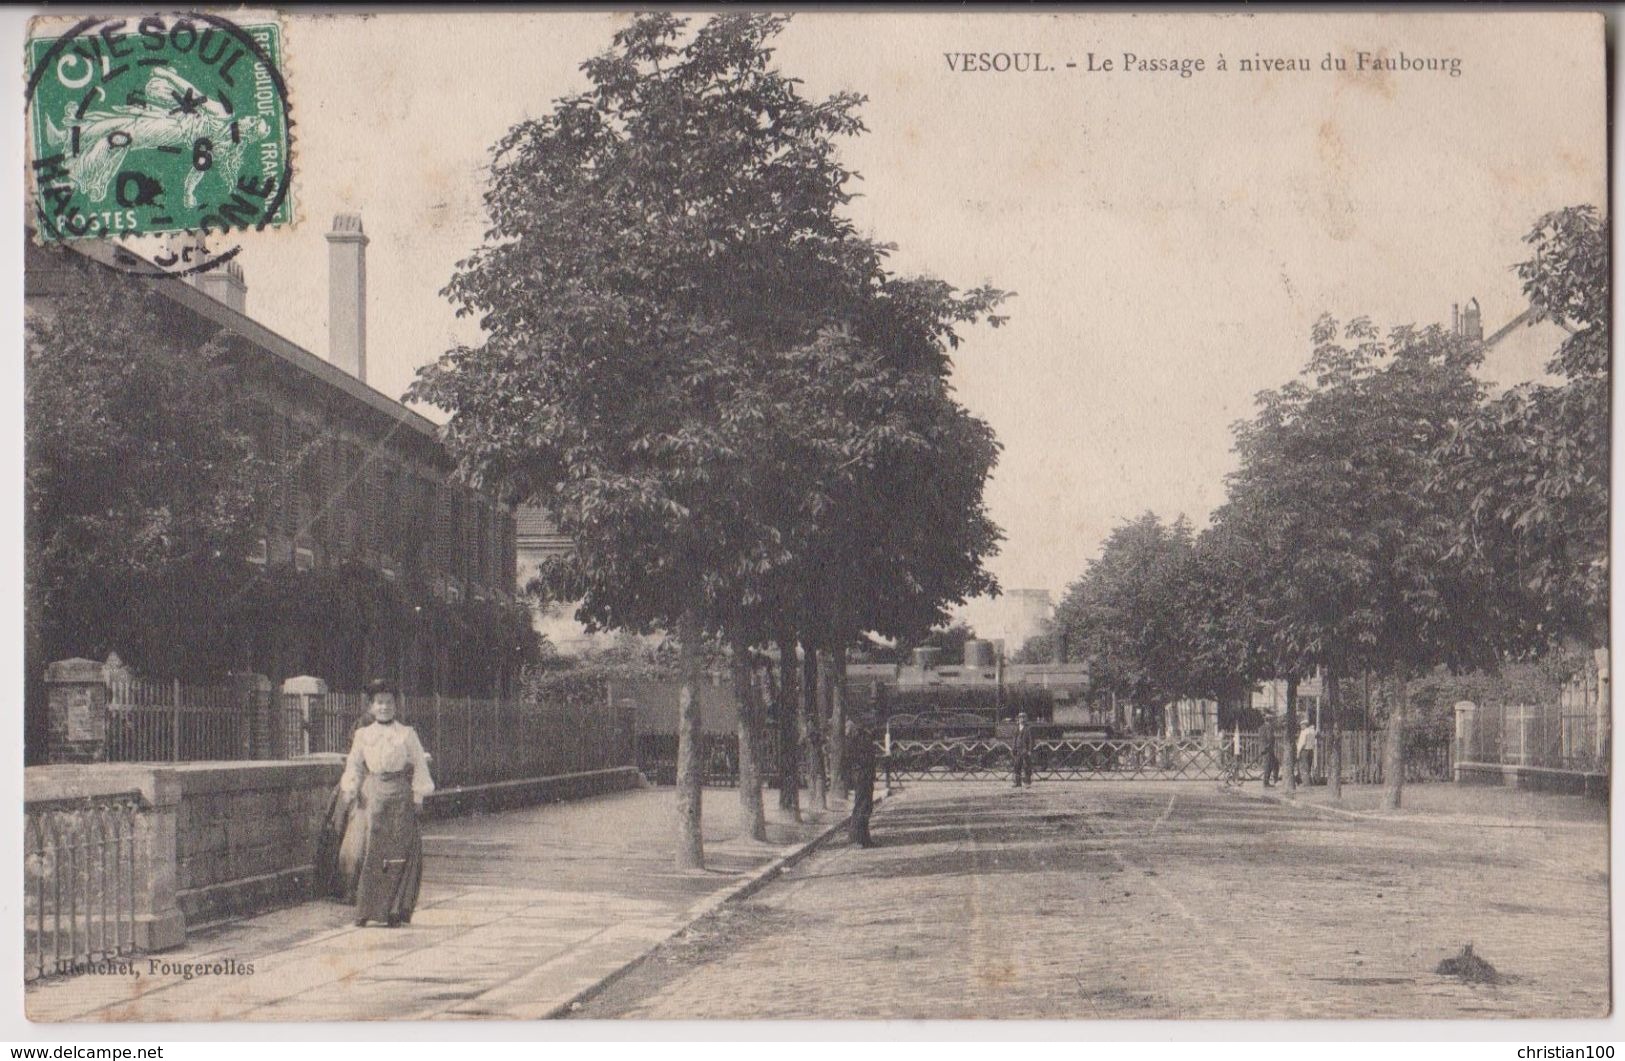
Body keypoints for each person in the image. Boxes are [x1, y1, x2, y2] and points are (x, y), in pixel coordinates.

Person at [340, 679, 434, 927]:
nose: (384, 707)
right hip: (372, 796)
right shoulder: (363, 735)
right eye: (379, 703)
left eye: (389, 703)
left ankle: (393, 909)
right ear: (371, 706)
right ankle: (366, 910)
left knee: (397, 852)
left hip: (400, 797)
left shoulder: (406, 734)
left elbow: (420, 765)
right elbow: (355, 764)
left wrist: (418, 796)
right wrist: (351, 789)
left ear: (396, 705)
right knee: (368, 852)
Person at [844, 716, 879, 847]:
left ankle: (864, 838)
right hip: (861, 774)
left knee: (867, 806)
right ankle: (856, 838)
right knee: (861, 806)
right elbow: (856, 758)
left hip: (866, 774)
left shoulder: (862, 737)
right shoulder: (856, 739)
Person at [1010, 712, 1035, 788]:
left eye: (1024, 717)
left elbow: (1031, 740)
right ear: (1018, 719)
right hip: (1017, 750)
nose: (1022, 719)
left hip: (1025, 750)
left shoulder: (1029, 728)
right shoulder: (1016, 728)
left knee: (1026, 766)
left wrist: (1030, 750)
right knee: (1017, 766)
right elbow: (1014, 739)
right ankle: (1017, 783)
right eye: (1021, 718)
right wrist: (1013, 748)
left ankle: (1027, 783)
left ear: (1026, 719)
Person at [1296, 717, 1318, 785]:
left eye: (1301, 725)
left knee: (1303, 767)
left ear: (1304, 725)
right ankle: (1308, 781)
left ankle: (1306, 783)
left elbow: (1302, 743)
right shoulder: (1312, 731)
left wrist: (1298, 752)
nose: (1301, 727)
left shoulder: (1304, 732)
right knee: (1308, 767)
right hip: (1310, 750)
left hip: (1304, 751)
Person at [1260, 715, 1281, 787]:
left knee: (1274, 764)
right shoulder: (1269, 727)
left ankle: (1273, 780)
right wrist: (1269, 746)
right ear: (1270, 720)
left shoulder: (1262, 727)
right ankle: (1266, 782)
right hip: (1268, 749)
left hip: (1265, 748)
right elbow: (1269, 737)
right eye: (1272, 720)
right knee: (1269, 765)